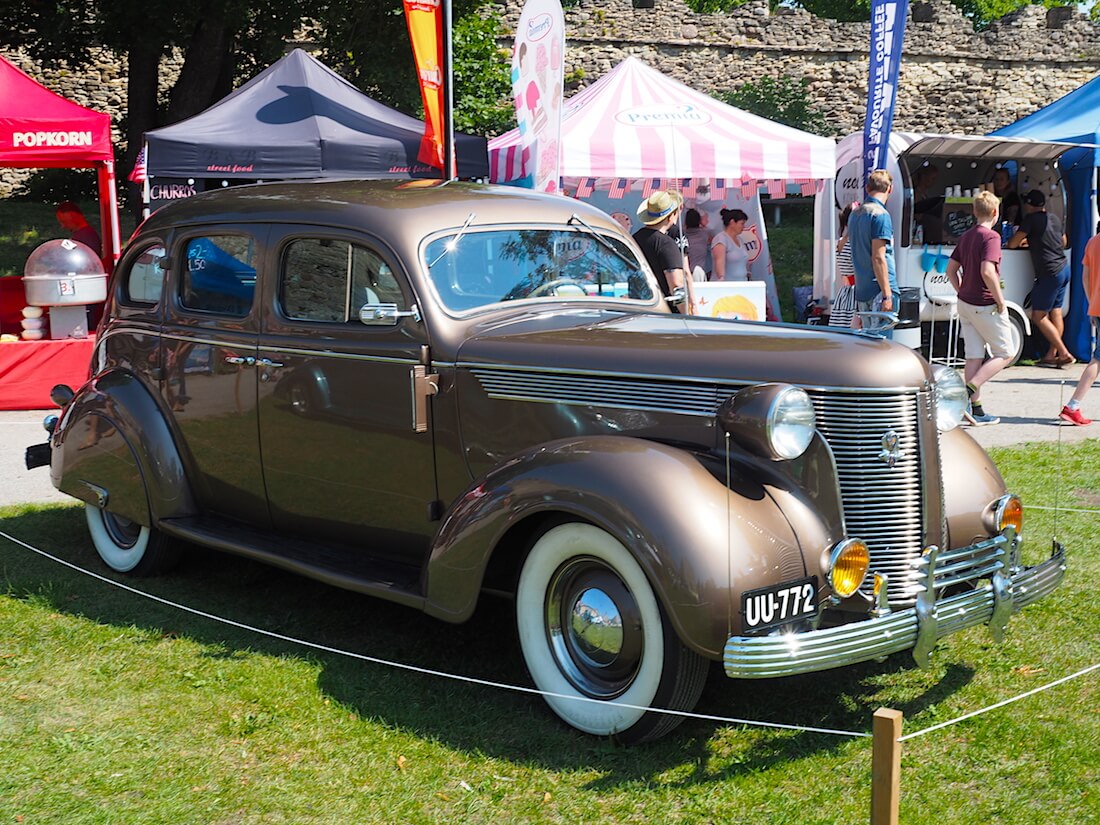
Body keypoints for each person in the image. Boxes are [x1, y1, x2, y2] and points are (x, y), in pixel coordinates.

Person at [945, 191, 1014, 426]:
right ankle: (968, 390)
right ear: (995, 212)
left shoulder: (966, 236)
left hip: (964, 302)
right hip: (985, 304)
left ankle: (975, 409)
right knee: (1005, 353)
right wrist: (1001, 300)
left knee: (973, 355)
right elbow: (988, 271)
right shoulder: (992, 237)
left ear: (974, 212)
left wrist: (960, 289)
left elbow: (950, 269)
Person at [1007, 190, 1074, 366]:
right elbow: (1063, 242)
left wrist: (1027, 241)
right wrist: (1034, 241)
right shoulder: (1054, 218)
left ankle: (1064, 352)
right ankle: (1051, 355)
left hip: (1049, 272)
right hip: (1063, 268)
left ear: (1029, 205)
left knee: (1038, 316)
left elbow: (1012, 244)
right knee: (1056, 312)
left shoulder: (1030, 220)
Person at [848, 169, 899, 338]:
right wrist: (887, 295)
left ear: (867, 188)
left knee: (866, 345)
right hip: (880, 289)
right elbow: (878, 257)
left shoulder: (855, 214)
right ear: (890, 189)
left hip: (862, 289)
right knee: (882, 346)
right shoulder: (881, 216)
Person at [1059, 221, 1100, 426]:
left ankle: (1073, 405)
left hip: (1096, 306)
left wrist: (1092, 304)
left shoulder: (1093, 242)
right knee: (1097, 360)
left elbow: (1085, 278)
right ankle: (1072, 405)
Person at [633, 190, 695, 313]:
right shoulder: (666, 244)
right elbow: (676, 285)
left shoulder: (635, 238)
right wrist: (686, 314)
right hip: (665, 313)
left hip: (639, 308)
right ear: (670, 216)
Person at [829, 202, 858, 328]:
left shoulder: (841, 241)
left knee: (841, 328)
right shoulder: (855, 242)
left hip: (845, 292)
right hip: (856, 292)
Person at [710, 208, 750, 281]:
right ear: (732, 222)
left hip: (742, 284)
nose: (744, 227)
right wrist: (722, 279)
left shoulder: (740, 240)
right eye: (742, 223)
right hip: (727, 287)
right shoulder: (720, 239)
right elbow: (719, 265)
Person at [911, 163, 943, 244]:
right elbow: (916, 215)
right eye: (933, 178)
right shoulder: (916, 194)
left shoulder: (923, 193)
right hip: (918, 231)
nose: (934, 182)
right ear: (924, 177)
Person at [683, 208, 714, 280]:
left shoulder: (682, 235)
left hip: (686, 272)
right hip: (701, 273)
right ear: (699, 221)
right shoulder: (705, 234)